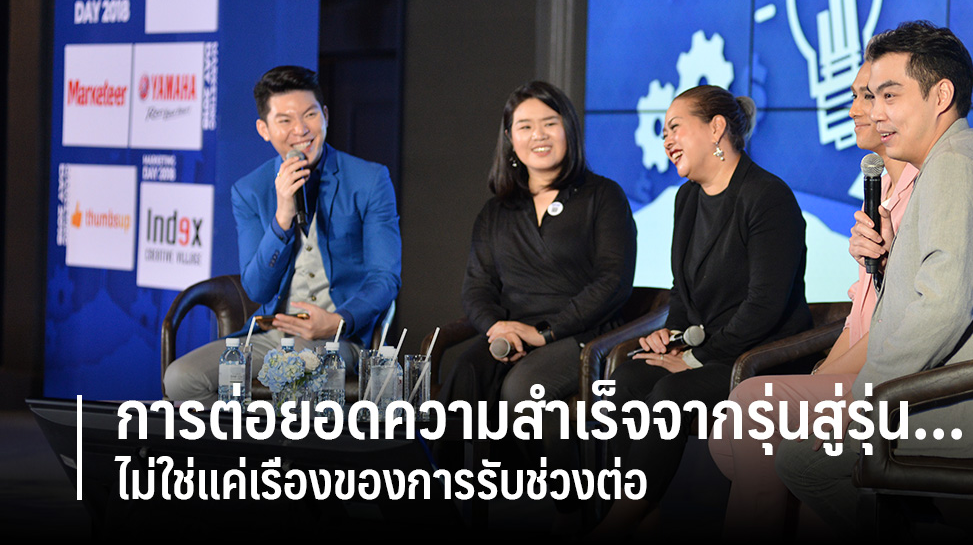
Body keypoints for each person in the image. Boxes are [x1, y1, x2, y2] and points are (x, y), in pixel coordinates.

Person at [774, 21, 973, 534]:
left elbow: (943, 309)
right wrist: (887, 265)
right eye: (872, 97)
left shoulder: (955, 167)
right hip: (954, 397)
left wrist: (863, 401)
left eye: (890, 95)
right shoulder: (950, 162)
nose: (875, 112)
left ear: (941, 96)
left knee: (804, 459)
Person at [708, 61, 918, 539]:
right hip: (863, 366)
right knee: (735, 434)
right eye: (857, 96)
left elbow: (898, 324)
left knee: (754, 410)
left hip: (895, 379)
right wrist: (823, 371)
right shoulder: (881, 188)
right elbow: (861, 313)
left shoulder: (926, 191)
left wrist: (822, 379)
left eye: (872, 96)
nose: (857, 110)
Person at [593, 85, 812, 536]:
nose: (666, 140)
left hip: (761, 357)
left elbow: (764, 306)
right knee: (625, 381)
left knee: (671, 395)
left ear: (716, 128)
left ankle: (618, 523)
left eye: (675, 127)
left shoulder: (767, 196)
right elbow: (684, 291)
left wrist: (695, 358)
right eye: (663, 132)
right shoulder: (687, 198)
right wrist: (670, 334)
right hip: (706, 351)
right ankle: (640, 512)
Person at [163, 65, 402, 405]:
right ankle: (244, 440)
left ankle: (281, 440)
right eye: (285, 120)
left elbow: (385, 277)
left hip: (340, 338)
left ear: (325, 115)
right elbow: (257, 288)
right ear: (264, 129)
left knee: (295, 373)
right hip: (272, 336)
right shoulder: (250, 190)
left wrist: (337, 321)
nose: (301, 130)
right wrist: (282, 217)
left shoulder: (370, 180)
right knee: (180, 379)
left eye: (310, 115)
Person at [439, 80, 636, 409]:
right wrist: (497, 328)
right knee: (465, 374)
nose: (538, 135)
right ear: (510, 138)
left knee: (523, 388)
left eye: (549, 124)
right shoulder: (495, 212)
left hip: (583, 333)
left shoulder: (604, 196)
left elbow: (613, 280)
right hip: (513, 334)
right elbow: (477, 288)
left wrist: (546, 332)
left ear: (569, 128)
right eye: (525, 126)